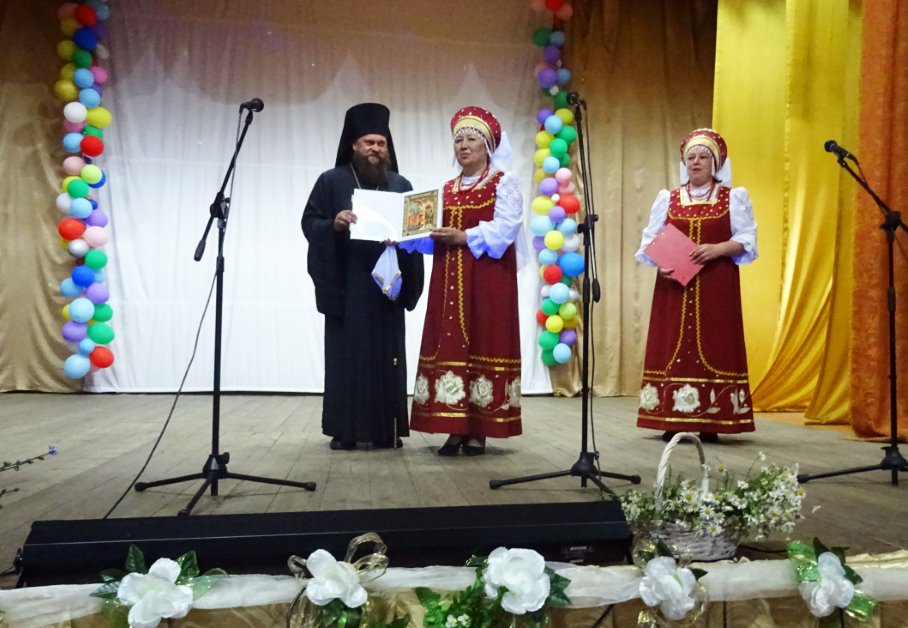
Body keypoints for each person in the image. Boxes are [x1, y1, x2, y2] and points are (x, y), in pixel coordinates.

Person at [403, 106, 525, 456]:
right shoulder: (446, 189)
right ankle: (454, 427)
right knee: (451, 344)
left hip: (488, 279)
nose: (464, 145)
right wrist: (401, 236)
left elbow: (506, 229)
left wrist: (465, 236)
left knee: (485, 340)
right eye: (458, 140)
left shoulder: (503, 182)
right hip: (450, 281)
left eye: (472, 139)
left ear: (488, 146)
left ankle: (479, 430)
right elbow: (431, 236)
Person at [301, 103, 424, 450]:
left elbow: (415, 233)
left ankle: (388, 431)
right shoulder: (331, 181)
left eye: (381, 143)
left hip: (387, 287)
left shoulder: (401, 184)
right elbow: (309, 223)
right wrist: (335, 224)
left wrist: (403, 240)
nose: (375, 149)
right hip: (348, 286)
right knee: (347, 359)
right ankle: (345, 431)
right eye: (369, 142)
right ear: (354, 145)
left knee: (388, 359)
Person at [635, 128, 757, 443]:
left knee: (716, 344)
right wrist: (660, 263)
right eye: (691, 157)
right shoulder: (669, 198)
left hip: (716, 284)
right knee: (672, 345)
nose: (696, 162)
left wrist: (719, 249)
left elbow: (747, 239)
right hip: (674, 287)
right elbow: (649, 241)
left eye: (703, 157)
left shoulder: (733, 197)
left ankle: (712, 421)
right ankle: (671, 418)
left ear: (715, 163)